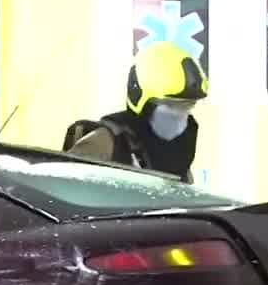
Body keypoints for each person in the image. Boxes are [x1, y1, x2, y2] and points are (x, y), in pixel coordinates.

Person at [63, 39, 206, 181]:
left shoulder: (177, 155)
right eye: (170, 106)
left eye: (187, 106)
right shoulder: (106, 144)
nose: (179, 116)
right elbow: (62, 191)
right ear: (140, 100)